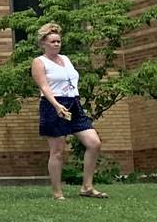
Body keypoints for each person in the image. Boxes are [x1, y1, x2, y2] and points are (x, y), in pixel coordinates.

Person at [32, 22, 107, 200]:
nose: (57, 44)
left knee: (93, 143)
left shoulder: (66, 59)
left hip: (73, 103)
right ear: (43, 43)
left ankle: (87, 187)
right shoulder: (39, 62)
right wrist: (57, 105)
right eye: (52, 41)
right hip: (53, 105)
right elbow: (44, 86)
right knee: (57, 151)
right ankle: (57, 193)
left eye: (58, 41)